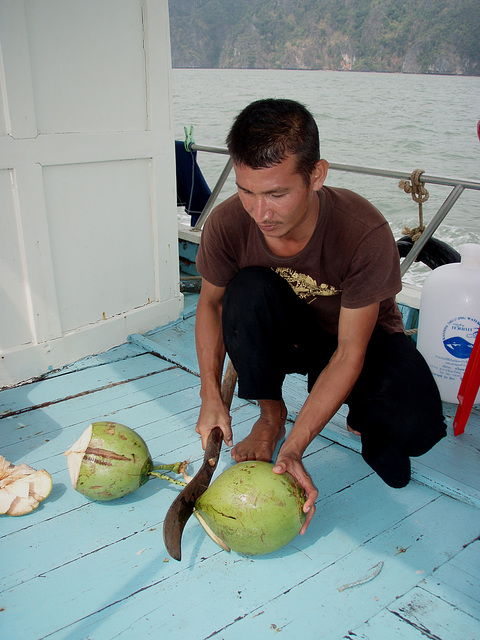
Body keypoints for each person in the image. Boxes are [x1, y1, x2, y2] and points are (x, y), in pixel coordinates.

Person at [194, 98, 447, 533]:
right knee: (244, 291)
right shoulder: (228, 223)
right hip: (288, 338)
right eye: (246, 191)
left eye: (276, 193)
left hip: (357, 341)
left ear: (316, 175)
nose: (260, 213)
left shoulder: (362, 229)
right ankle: (271, 414)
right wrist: (210, 397)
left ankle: (349, 407)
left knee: (415, 434)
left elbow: (351, 350)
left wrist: (295, 448)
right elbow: (210, 305)